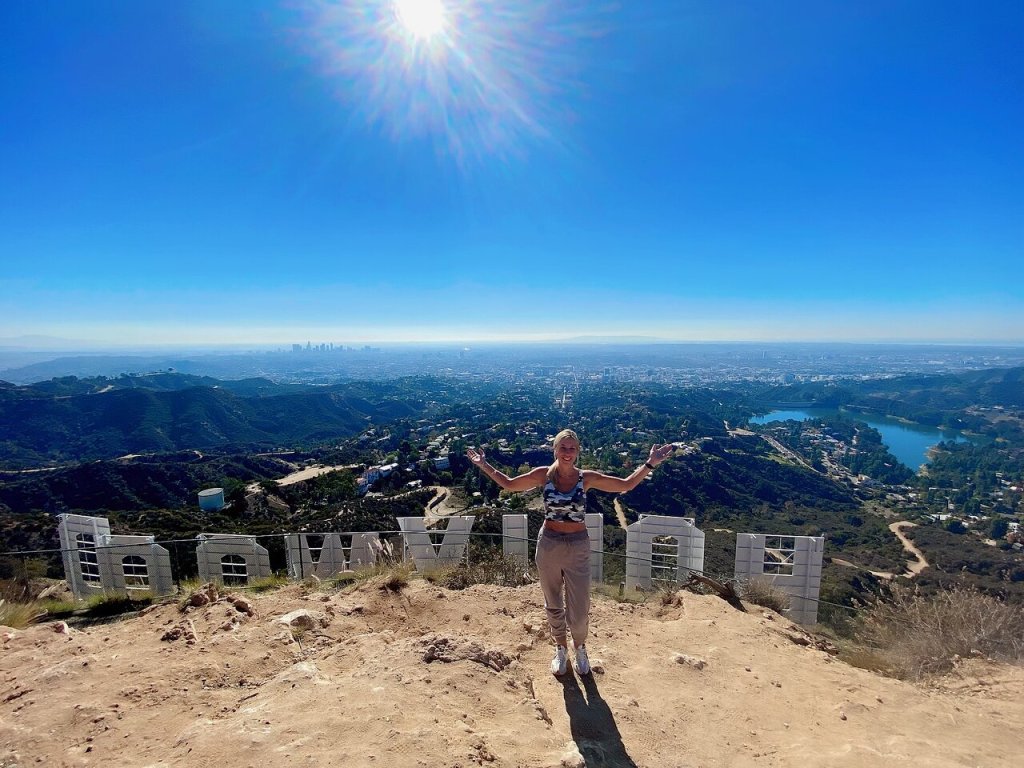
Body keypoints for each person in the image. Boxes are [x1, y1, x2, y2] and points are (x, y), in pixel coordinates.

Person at [466, 428, 675, 676]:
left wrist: (650, 463)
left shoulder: (585, 478)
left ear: (577, 452)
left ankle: (581, 646)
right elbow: (509, 484)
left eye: (572, 448)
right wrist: (484, 465)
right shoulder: (543, 475)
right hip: (549, 544)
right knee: (553, 603)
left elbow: (626, 484)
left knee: (579, 609)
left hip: (577, 545)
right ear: (555, 449)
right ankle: (561, 648)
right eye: (563, 447)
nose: (567, 453)